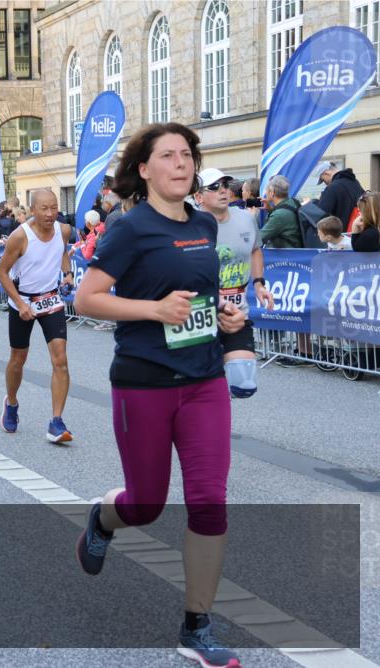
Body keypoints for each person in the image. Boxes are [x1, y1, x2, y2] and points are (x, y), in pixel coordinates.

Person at [73, 122, 247, 668]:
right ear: (144, 169)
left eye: (187, 155)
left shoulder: (204, 223)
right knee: (146, 504)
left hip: (204, 381)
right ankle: (103, 519)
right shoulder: (129, 228)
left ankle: (197, 627)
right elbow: (87, 298)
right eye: (168, 155)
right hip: (144, 382)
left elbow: (203, 294)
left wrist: (225, 315)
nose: (181, 163)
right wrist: (153, 310)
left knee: (209, 501)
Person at [0, 189, 75, 443]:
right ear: (32, 210)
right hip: (23, 301)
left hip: (50, 299)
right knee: (18, 359)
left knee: (60, 360)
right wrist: (20, 303)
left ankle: (56, 422)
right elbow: (2, 273)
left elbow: (62, 252)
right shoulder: (20, 237)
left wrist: (67, 274)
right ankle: (11, 402)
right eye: (44, 208)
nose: (50, 213)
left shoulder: (64, 230)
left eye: (54, 208)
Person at [195, 167, 274, 398]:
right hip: (201, 314)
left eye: (225, 185)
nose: (223, 190)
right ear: (198, 196)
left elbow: (255, 249)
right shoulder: (190, 225)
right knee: (201, 386)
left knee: (243, 384)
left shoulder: (245, 218)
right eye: (214, 187)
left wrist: (259, 283)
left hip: (237, 312)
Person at [314, 161, 365, 231]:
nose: (325, 183)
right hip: (358, 230)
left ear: (326, 173)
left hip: (340, 233)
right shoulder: (355, 182)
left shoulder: (333, 187)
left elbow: (321, 214)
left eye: (323, 180)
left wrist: (314, 203)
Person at [261, 175, 302, 248]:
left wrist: (252, 216)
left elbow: (259, 239)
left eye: (266, 189)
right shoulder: (293, 201)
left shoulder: (279, 215)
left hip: (286, 253)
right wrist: (271, 210)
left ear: (272, 192)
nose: (265, 193)